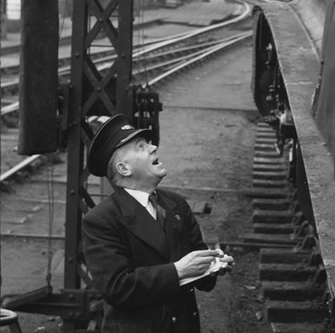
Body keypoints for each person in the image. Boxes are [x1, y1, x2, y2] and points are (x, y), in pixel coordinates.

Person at [82, 114, 233, 333]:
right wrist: (178, 271)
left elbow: (201, 277)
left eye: (149, 144)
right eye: (141, 147)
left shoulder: (176, 204)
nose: (153, 148)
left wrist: (212, 265)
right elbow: (117, 288)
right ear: (124, 169)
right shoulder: (101, 220)